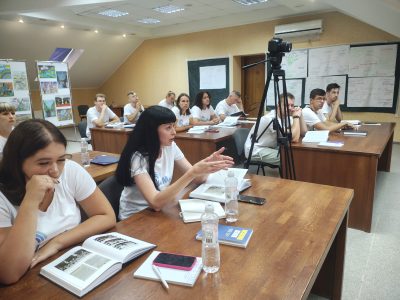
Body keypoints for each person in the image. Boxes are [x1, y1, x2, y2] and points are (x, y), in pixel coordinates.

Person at [0, 119, 115, 284]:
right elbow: (8, 273)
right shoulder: (2, 197)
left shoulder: (70, 170)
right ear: (17, 163)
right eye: (43, 163)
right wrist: (30, 201)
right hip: (28, 282)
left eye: (61, 159)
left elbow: (106, 215)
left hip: (70, 263)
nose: (55, 170)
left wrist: (57, 243)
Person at [115, 106, 233, 220]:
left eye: (173, 126)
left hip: (161, 210)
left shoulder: (170, 146)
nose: (174, 132)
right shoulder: (138, 158)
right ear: (151, 131)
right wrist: (192, 173)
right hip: (136, 218)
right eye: (168, 128)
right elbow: (155, 203)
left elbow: (198, 179)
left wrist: (209, 165)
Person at [244, 93, 307, 166]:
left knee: (297, 154)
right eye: (286, 105)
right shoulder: (271, 119)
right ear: (278, 106)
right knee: (288, 159)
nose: (290, 108)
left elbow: (304, 132)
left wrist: (300, 114)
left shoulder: (286, 117)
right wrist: (296, 117)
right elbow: (294, 138)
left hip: (269, 147)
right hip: (255, 149)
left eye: (292, 105)